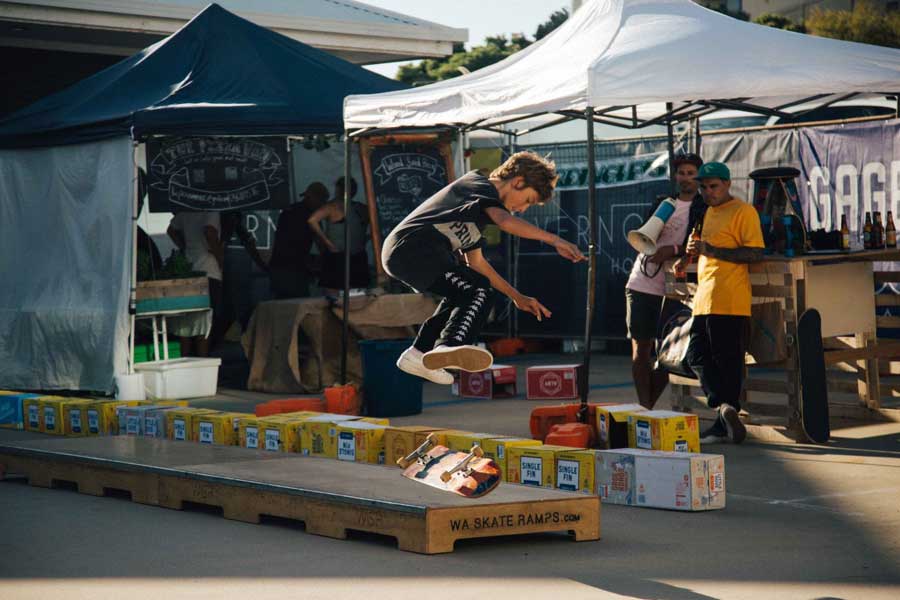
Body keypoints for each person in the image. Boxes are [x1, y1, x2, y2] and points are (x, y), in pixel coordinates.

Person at [382, 151, 585, 384]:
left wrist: (516, 296)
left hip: (414, 256)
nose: (523, 209)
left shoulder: (475, 216)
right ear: (518, 182)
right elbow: (505, 221)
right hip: (410, 249)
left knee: (467, 290)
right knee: (478, 289)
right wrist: (555, 240)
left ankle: (418, 353)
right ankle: (449, 346)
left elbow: (477, 263)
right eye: (527, 200)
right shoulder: (478, 185)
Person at [678, 162, 764, 444]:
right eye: (703, 187)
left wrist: (709, 249)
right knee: (695, 357)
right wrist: (687, 257)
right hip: (704, 298)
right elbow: (702, 248)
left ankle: (722, 418)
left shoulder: (743, 211)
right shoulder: (706, 212)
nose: (707, 191)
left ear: (727, 184)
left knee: (727, 362)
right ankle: (725, 409)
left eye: (713, 186)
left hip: (730, 298)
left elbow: (754, 254)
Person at [625, 153, 707, 409]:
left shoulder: (703, 207)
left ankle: (646, 408)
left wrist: (671, 250)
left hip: (674, 288)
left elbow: (698, 244)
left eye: (691, 174)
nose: (685, 178)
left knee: (667, 353)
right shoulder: (664, 202)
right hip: (640, 282)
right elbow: (646, 234)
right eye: (681, 173)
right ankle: (645, 408)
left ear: (699, 177)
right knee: (640, 351)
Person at [167, 211, 222, 357]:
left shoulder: (188, 209)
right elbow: (209, 231)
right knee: (205, 322)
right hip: (208, 271)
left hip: (189, 270)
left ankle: (185, 361)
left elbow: (171, 230)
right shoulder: (212, 209)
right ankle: (203, 361)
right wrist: (220, 256)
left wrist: (186, 247)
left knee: (187, 321)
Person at [307, 177, 370, 295]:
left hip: (350, 257)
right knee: (339, 296)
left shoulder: (354, 207)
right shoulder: (335, 206)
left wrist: (365, 238)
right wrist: (328, 243)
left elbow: (312, 220)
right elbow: (312, 220)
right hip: (342, 257)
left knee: (353, 295)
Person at [269, 182, 329, 298]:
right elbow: (321, 245)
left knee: (281, 306)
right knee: (299, 307)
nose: (323, 205)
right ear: (317, 199)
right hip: (294, 271)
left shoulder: (288, 211)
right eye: (323, 202)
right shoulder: (313, 217)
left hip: (278, 268)